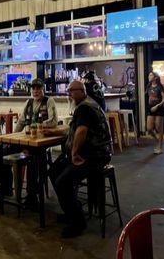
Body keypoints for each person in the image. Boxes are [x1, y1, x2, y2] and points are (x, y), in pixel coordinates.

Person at [45, 80, 112, 238]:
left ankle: (78, 222)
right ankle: (71, 212)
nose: (69, 94)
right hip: (92, 153)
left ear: (82, 91)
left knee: (63, 182)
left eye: (72, 91)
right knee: (54, 171)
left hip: (94, 156)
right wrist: (53, 133)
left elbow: (81, 131)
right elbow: (74, 129)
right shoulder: (87, 104)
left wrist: (74, 153)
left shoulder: (84, 107)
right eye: (68, 91)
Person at [1, 78, 57, 206]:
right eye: (34, 88)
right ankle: (6, 188)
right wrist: (13, 137)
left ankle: (32, 195)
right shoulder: (29, 102)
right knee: (3, 151)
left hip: (41, 142)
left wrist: (38, 125)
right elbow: (21, 121)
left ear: (43, 89)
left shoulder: (49, 101)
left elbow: (53, 121)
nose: (36, 91)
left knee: (33, 159)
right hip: (26, 141)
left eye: (38, 88)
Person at [146, 71, 164, 154]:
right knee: (149, 129)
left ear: (155, 78)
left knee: (158, 128)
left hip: (159, 108)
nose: (149, 76)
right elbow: (149, 97)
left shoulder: (160, 87)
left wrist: (157, 106)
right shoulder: (148, 86)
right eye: (149, 75)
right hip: (151, 108)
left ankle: (160, 147)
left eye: (150, 75)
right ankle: (158, 140)